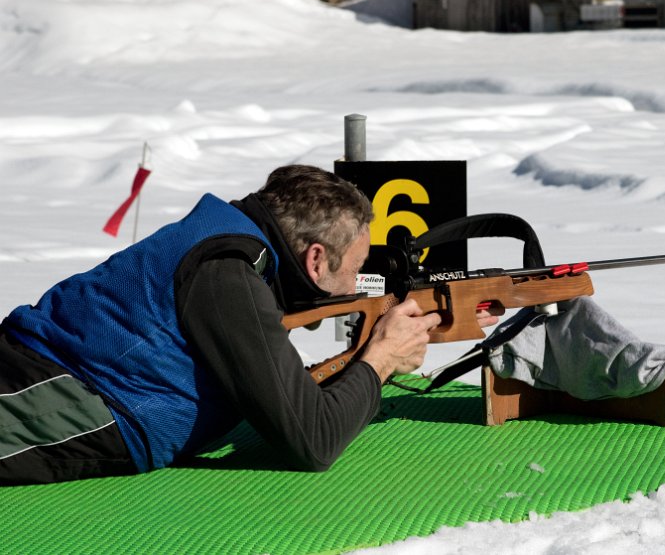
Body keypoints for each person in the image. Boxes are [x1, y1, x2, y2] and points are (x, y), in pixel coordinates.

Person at [0, 164, 497, 485]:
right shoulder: (228, 276)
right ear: (317, 259)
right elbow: (313, 440)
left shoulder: (235, 241)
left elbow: (284, 393)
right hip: (49, 396)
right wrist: (381, 360)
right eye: (356, 268)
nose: (358, 282)